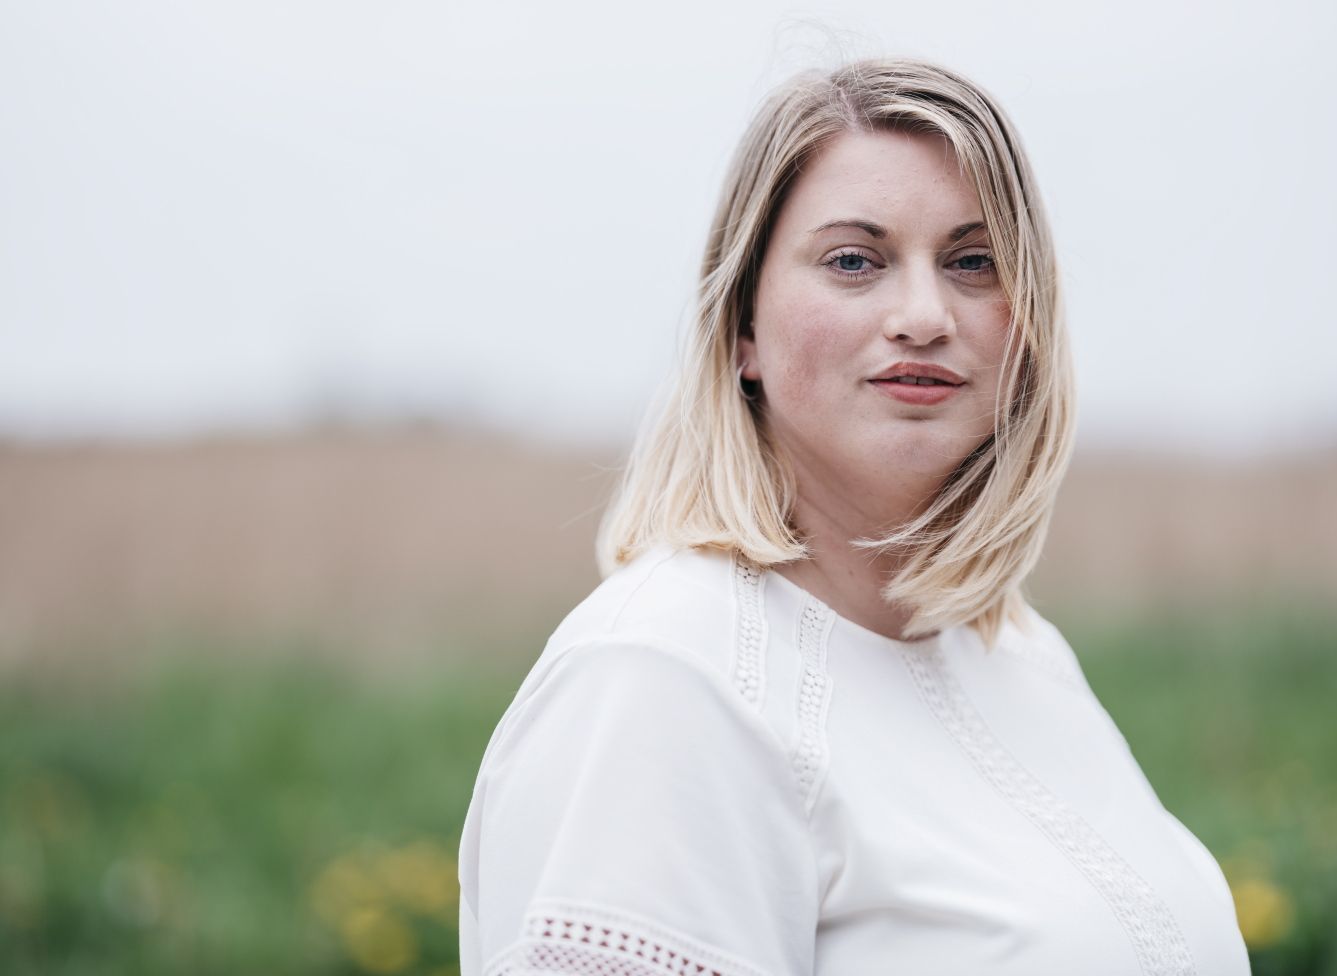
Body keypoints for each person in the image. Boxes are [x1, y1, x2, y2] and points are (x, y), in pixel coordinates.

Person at [457, 56, 1250, 976]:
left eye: (973, 262)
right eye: (853, 261)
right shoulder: (665, 678)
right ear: (744, 329)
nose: (923, 315)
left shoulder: (1021, 655)